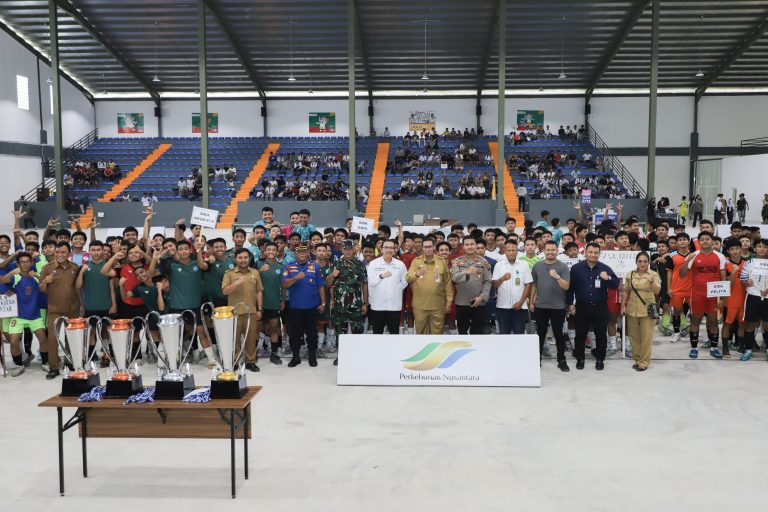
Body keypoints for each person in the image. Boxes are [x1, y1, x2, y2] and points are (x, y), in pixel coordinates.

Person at [567, 243, 619, 370]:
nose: (593, 255)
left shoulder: (605, 268)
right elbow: (570, 288)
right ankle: (580, 358)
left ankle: (600, 359)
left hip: (600, 307)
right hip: (582, 307)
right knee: (580, 334)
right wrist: (569, 304)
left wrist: (608, 278)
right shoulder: (576, 268)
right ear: (585, 252)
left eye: (596, 252)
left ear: (599, 254)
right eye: (590, 252)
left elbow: (615, 284)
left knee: (601, 334)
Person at [679, 231, 727, 359]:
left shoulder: (720, 256)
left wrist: (722, 298)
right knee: (695, 320)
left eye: (707, 239)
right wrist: (686, 261)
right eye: (702, 239)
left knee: (713, 321)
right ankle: (694, 348)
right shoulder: (693, 256)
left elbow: (723, 277)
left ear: (712, 241)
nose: (705, 241)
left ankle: (714, 348)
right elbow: (682, 274)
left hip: (713, 294)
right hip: (697, 294)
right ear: (699, 242)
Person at [39, 242, 82, 379]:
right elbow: (41, 289)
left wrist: (82, 305)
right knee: (52, 338)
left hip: (73, 309)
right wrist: (45, 281)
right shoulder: (47, 268)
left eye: (63, 252)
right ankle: (54, 367)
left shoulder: (75, 268)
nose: (60, 255)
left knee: (71, 337)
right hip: (54, 310)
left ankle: (69, 362)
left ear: (69, 253)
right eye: (58, 252)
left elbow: (78, 288)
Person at [0, 252, 47, 377]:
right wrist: (11, 273)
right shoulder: (15, 277)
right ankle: (18, 365)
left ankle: (45, 362)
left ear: (31, 263)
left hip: (35, 316)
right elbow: (3, 280)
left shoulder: (36, 277)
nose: (25, 264)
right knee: (14, 341)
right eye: (22, 262)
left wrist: (36, 274)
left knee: (43, 338)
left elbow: (44, 287)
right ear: (18, 264)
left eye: (27, 261)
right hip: (18, 316)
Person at [281, 243, 326, 367]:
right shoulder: (288, 267)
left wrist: (323, 303)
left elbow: (321, 286)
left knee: (312, 334)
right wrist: (295, 278)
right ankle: (295, 357)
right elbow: (284, 285)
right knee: (294, 334)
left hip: (312, 307)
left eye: (304, 251)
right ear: (295, 253)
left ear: (308, 253)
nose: (301, 253)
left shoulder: (315, 266)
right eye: (299, 251)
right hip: (295, 308)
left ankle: (312, 357)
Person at [325, 239, 368, 366]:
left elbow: (364, 284)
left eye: (350, 249)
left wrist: (365, 303)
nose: (348, 251)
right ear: (341, 249)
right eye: (345, 249)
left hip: (356, 304)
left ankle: (357, 356)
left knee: (357, 331)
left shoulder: (360, 265)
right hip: (340, 305)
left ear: (354, 249)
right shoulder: (335, 264)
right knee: (341, 333)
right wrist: (332, 275)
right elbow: (328, 284)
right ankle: (341, 356)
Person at [531, 241, 571, 370]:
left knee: (558, 333)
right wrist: (531, 301)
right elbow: (534, 285)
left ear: (557, 251)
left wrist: (557, 276)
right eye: (548, 250)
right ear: (544, 251)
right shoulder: (537, 266)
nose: (550, 252)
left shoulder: (563, 267)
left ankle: (561, 359)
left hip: (558, 306)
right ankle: (537, 358)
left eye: (553, 250)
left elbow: (566, 286)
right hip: (540, 305)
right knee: (540, 333)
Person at [221, 248, 264, 372]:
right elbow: (225, 291)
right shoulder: (229, 273)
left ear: (249, 259)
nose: (243, 260)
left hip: (251, 311)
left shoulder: (255, 272)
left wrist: (259, 309)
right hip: (234, 313)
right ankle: (235, 361)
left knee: (251, 338)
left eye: (245, 257)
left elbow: (259, 291)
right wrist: (237, 282)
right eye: (240, 258)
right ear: (235, 259)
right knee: (234, 339)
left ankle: (250, 361)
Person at [621, 252, 661, 371]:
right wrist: (622, 306)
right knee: (634, 336)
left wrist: (651, 281)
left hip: (647, 310)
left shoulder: (653, 274)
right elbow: (626, 291)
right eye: (640, 261)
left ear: (648, 262)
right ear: (636, 262)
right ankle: (637, 359)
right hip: (632, 309)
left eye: (645, 261)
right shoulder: (630, 274)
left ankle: (644, 362)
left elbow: (657, 291)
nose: (642, 264)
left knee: (646, 337)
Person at [406, 237, 453, 334]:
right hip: (420, 306)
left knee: (437, 333)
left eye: (430, 246)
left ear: (434, 247)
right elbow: (408, 278)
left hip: (438, 305)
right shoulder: (416, 262)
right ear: (422, 248)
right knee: (421, 333)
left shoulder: (442, 262)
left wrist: (449, 302)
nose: (427, 249)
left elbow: (448, 283)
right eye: (425, 247)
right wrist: (417, 274)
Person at [450, 237, 492, 334]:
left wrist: (482, 297)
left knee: (477, 332)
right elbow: (454, 278)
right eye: (467, 245)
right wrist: (466, 272)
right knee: (462, 331)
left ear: (475, 245)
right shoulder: (457, 261)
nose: (470, 247)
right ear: (463, 247)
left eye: (472, 244)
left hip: (479, 302)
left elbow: (488, 281)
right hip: (461, 303)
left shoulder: (483, 262)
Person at [367, 239, 408, 335]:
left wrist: (397, 289)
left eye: (391, 248)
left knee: (394, 333)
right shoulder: (374, 264)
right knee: (377, 333)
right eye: (386, 247)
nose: (389, 250)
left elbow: (405, 281)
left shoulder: (400, 264)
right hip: (377, 306)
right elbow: (371, 282)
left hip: (394, 306)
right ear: (381, 249)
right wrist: (381, 276)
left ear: (395, 250)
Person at [493, 240, 533, 335]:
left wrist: (521, 302)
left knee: (519, 333)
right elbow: (494, 285)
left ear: (517, 251)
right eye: (508, 250)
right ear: (505, 251)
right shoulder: (499, 265)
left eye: (513, 250)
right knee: (504, 333)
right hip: (502, 306)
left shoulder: (524, 265)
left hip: (520, 307)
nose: (511, 252)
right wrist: (502, 278)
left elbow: (528, 284)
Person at [255, 242, 285, 365]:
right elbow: (251, 280)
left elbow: (283, 286)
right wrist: (259, 272)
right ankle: (254, 353)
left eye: (274, 250)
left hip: (274, 302)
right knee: (257, 328)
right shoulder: (258, 264)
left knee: (274, 328)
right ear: (265, 251)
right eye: (269, 249)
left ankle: (274, 354)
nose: (271, 251)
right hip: (260, 303)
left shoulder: (281, 267)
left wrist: (283, 300)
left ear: (277, 252)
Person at [739, 238, 768, 361]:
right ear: (754, 248)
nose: (762, 249)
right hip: (752, 297)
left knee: (767, 325)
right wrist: (747, 282)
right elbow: (743, 278)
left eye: (765, 247)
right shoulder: (749, 262)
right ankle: (748, 349)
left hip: (767, 298)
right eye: (759, 246)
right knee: (750, 325)